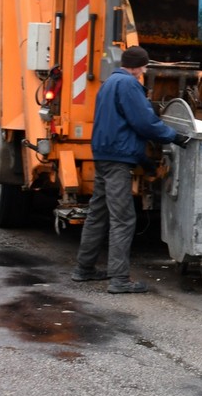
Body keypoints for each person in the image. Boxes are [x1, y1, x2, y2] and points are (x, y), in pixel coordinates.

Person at [73, 45, 191, 293]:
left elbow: (122, 125)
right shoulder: (129, 85)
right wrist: (174, 136)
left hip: (104, 155)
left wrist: (146, 163)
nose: (145, 71)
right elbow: (144, 123)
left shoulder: (108, 84)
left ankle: (84, 269)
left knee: (98, 214)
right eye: (145, 66)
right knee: (123, 219)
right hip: (117, 159)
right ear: (138, 67)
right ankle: (119, 280)